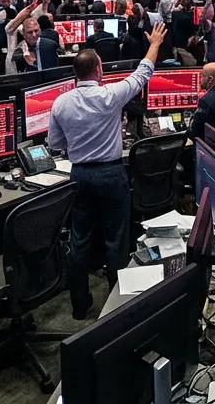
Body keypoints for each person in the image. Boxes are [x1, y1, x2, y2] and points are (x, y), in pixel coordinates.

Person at [51, 23, 167, 319]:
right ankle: (118, 307)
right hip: (111, 174)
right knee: (116, 239)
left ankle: (79, 305)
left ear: (76, 72)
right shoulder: (110, 95)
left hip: (79, 177)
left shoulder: (60, 103)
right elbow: (143, 73)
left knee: (79, 240)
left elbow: (55, 143)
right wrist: (154, 43)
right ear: (99, 69)